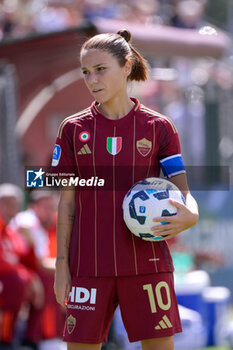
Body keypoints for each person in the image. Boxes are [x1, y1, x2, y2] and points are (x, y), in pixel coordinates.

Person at [51, 29, 199, 350]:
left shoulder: (159, 127)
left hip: (146, 265)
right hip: (88, 267)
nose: (92, 80)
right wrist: (62, 265)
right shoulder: (73, 129)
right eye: (86, 73)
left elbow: (183, 192)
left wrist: (191, 216)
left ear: (126, 66)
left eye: (101, 69)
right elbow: (67, 205)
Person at [0, 183, 44, 349]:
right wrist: (27, 276)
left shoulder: (12, 231)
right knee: (16, 281)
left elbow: (26, 258)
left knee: (43, 280)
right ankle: (5, 339)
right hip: (7, 281)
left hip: (12, 279)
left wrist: (31, 243)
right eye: (7, 204)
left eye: (14, 205)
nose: (11, 210)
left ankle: (30, 339)